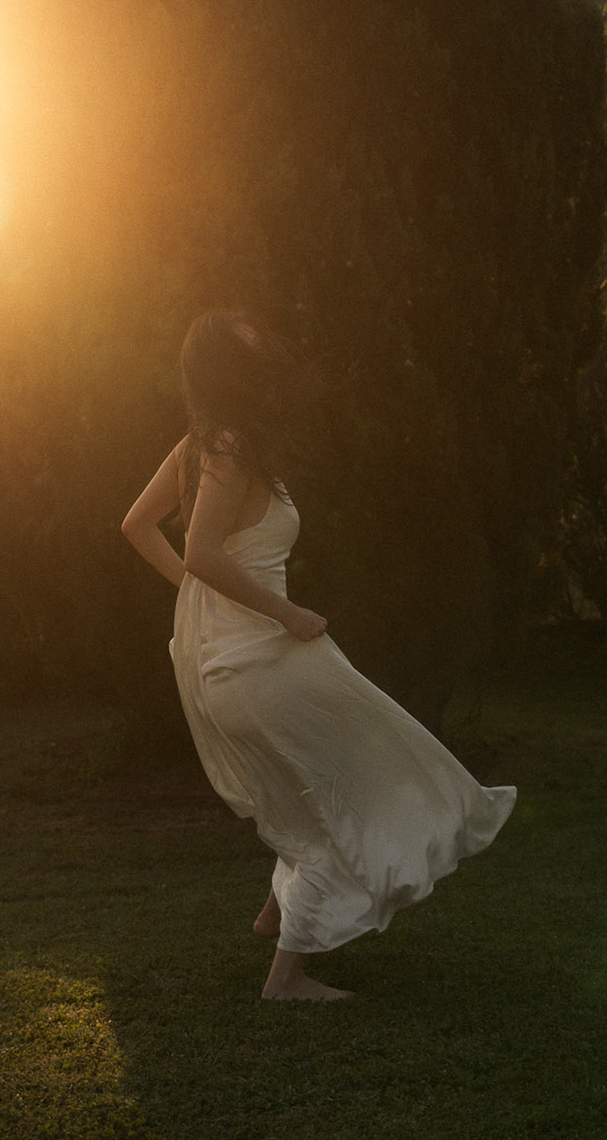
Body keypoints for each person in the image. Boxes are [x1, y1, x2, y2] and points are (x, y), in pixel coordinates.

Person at [121, 310, 516, 1001]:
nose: (267, 355)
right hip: (257, 662)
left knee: (332, 782)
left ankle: (277, 914)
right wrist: (281, 612)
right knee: (350, 789)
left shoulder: (204, 445)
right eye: (251, 350)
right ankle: (288, 978)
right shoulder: (226, 446)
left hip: (244, 664)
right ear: (232, 371)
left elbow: (138, 526)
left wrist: (200, 600)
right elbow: (201, 553)